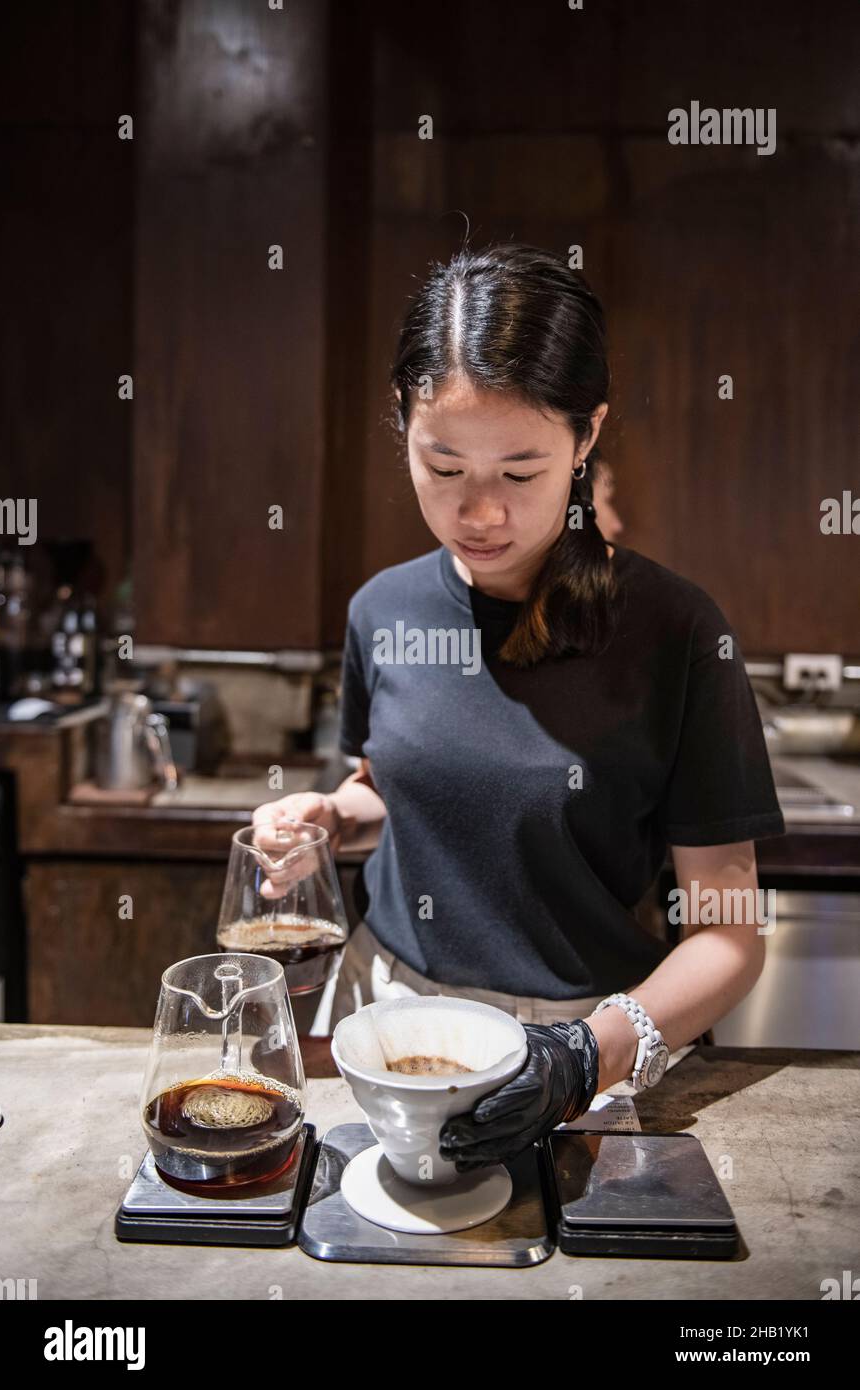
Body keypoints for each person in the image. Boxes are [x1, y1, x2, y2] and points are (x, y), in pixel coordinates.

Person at [253, 242, 785, 1172]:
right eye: (445, 466)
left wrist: (585, 1056)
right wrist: (333, 816)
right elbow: (398, 783)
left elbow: (730, 931)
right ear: (403, 427)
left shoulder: (677, 629)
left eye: (522, 471)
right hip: (383, 1019)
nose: (481, 513)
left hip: (588, 1046)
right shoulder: (383, 610)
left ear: (587, 438)